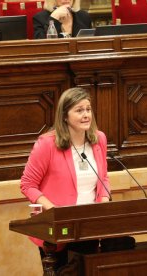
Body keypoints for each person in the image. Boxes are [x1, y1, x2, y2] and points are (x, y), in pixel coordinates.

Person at [20, 87, 110, 272]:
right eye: (79, 110)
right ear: (65, 116)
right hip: (57, 229)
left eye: (88, 109)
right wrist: (56, 211)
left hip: (88, 226)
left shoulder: (99, 139)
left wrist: (104, 203)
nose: (86, 115)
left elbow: (104, 178)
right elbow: (28, 185)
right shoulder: (47, 144)